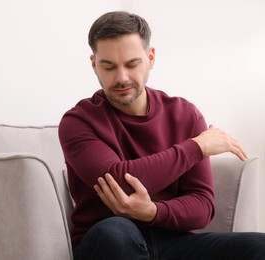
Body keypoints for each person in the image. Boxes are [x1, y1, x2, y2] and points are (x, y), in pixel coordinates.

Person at [58, 11, 265, 260]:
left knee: (258, 245)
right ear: (94, 64)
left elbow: (202, 207)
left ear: (150, 57)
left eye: (132, 64)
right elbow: (119, 182)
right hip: (110, 243)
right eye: (109, 66)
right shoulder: (78, 121)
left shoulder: (184, 114)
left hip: (174, 243)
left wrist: (153, 212)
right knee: (117, 231)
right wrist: (195, 147)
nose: (122, 77)